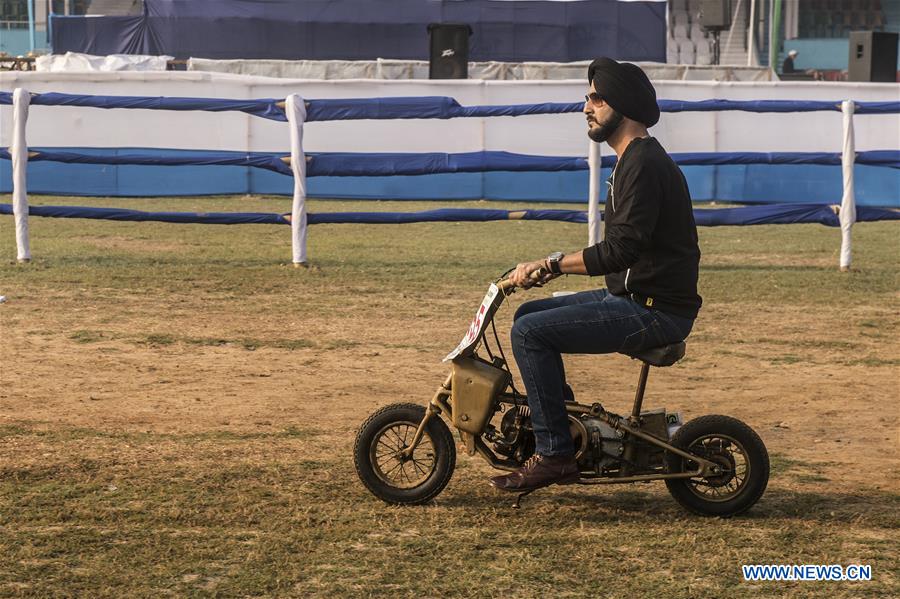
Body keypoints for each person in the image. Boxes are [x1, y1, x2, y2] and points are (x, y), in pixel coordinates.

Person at [489, 57, 702, 493]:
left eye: (597, 98)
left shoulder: (643, 164)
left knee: (529, 334)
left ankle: (555, 455)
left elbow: (620, 251)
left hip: (654, 311)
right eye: (589, 98)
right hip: (636, 299)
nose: (587, 107)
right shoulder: (633, 160)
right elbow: (622, 253)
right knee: (527, 316)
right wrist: (552, 269)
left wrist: (550, 264)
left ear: (624, 105)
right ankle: (565, 429)